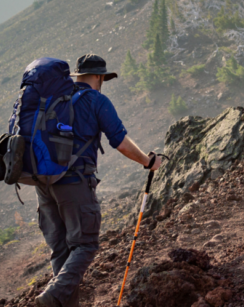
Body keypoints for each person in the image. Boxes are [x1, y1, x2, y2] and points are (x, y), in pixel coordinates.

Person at [35, 55, 162, 307]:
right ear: (100, 77)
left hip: (43, 184)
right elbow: (121, 143)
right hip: (74, 183)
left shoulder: (54, 100)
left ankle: (58, 300)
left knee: (61, 251)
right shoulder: (96, 101)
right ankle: (53, 296)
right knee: (86, 245)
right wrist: (148, 162)